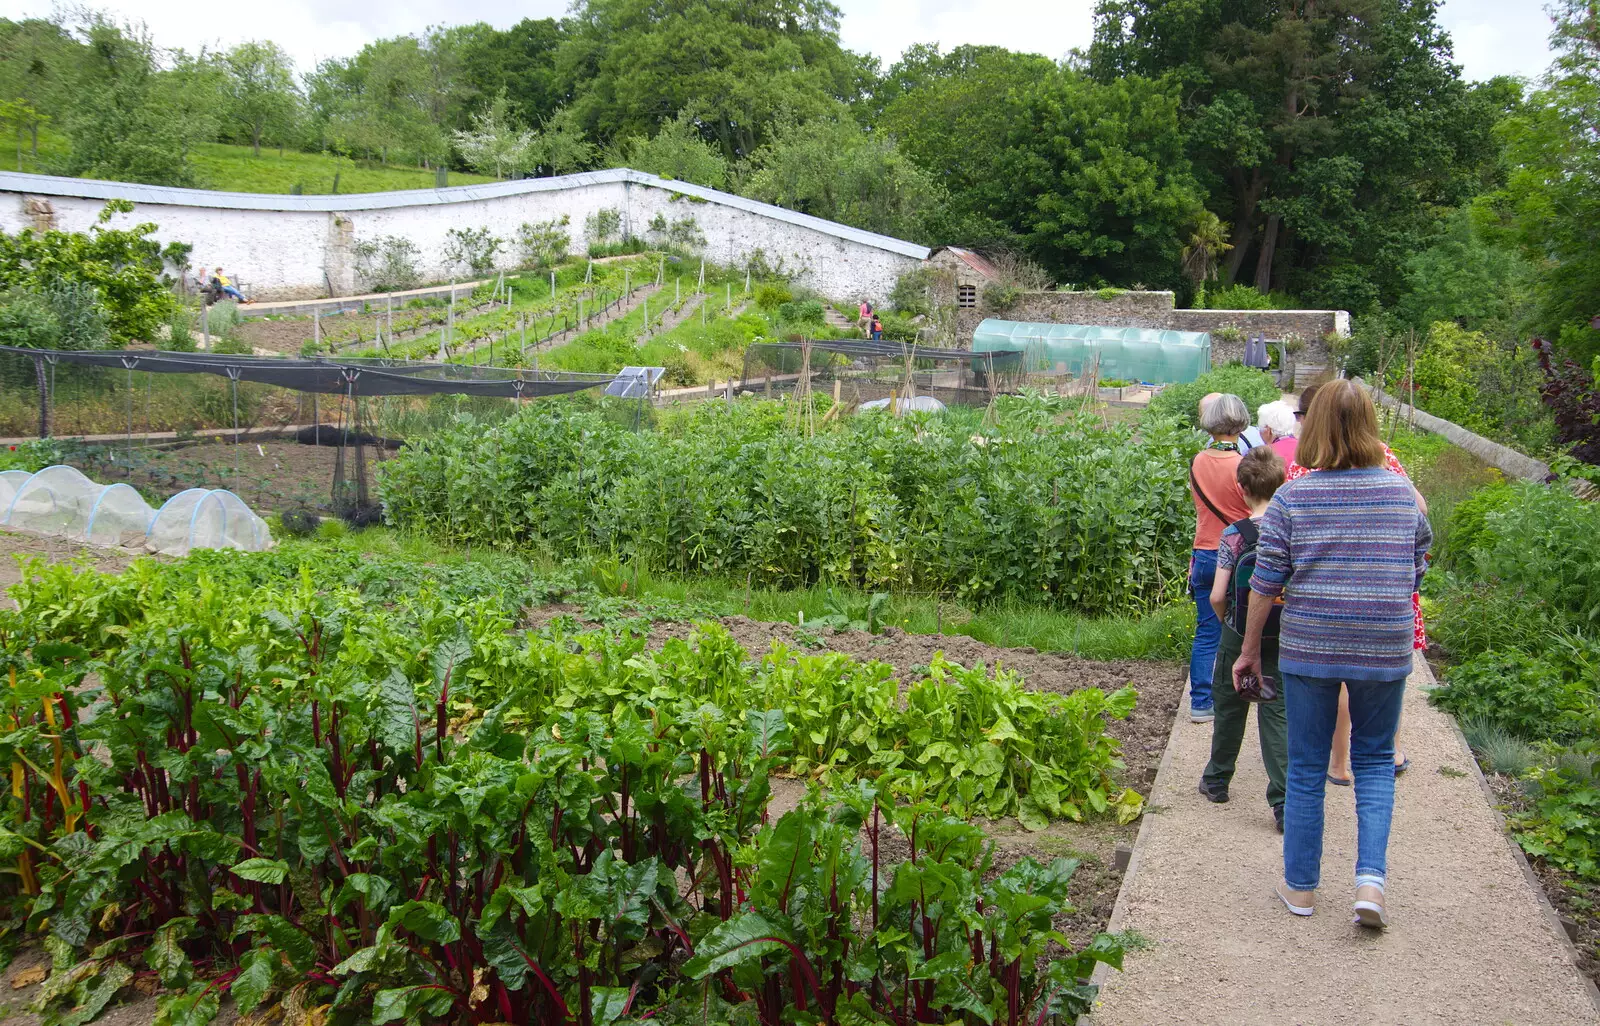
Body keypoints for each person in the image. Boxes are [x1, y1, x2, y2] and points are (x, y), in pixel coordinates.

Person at [1234, 378, 1431, 930]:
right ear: (1372, 425)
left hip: (1310, 645)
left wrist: (1250, 651)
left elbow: (1265, 583)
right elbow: (1418, 563)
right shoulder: (1401, 492)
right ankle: (1370, 882)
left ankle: (1301, 889)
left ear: (1313, 425)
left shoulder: (1294, 497)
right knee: (1372, 762)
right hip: (1383, 646)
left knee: (1306, 766)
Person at [1286, 388, 1428, 784]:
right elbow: (1420, 511)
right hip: (1383, 586)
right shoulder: (1384, 456)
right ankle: (1391, 751)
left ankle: (1338, 762)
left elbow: (1286, 533)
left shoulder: (1306, 462)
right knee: (1384, 679)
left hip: (1326, 595)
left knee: (1338, 676)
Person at [1200, 445, 1290, 832]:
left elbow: (1218, 595)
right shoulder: (1292, 528)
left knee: (1230, 705)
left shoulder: (1234, 535)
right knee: (1277, 715)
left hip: (1239, 632)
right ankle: (1284, 802)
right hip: (1285, 635)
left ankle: (1217, 781)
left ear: (1241, 488)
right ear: (1283, 483)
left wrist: (1229, 626)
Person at [1186, 392, 1254, 723]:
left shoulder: (1197, 461)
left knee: (1207, 631)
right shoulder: (1244, 466)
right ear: (1241, 420)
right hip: (1239, 556)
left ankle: (1200, 702)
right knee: (1245, 628)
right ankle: (1240, 692)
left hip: (1204, 552)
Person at [1257, 399, 1299, 464]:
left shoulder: (1264, 456)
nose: (1260, 433)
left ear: (1269, 431)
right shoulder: (1303, 447)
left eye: (1260, 429)